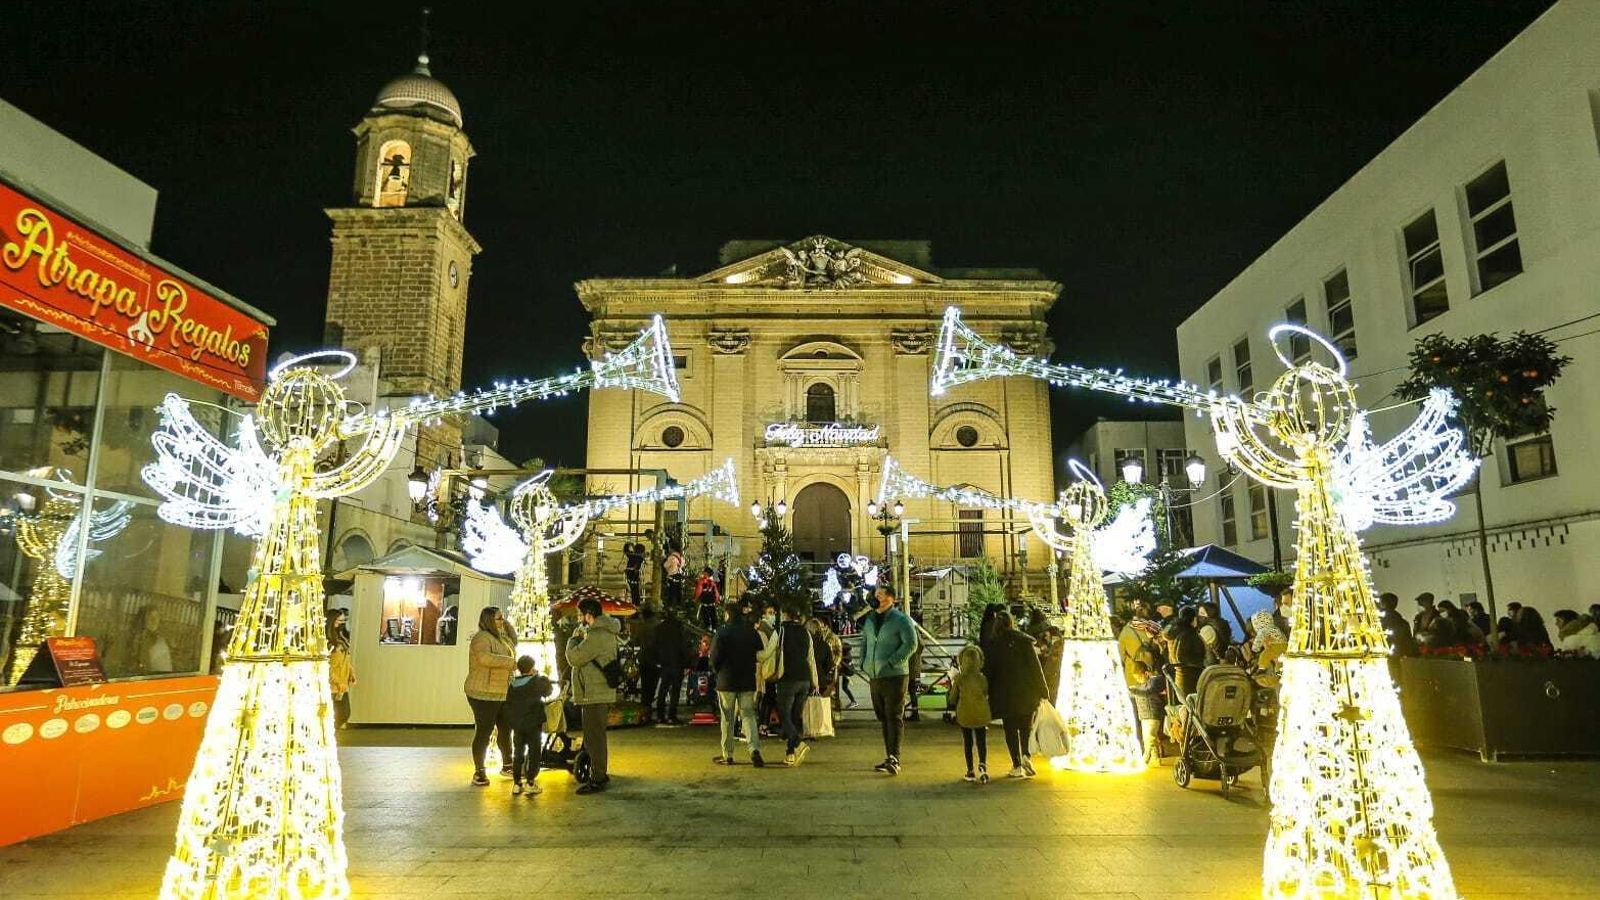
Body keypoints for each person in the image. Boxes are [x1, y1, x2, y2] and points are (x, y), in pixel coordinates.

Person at [861, 584, 918, 775]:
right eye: (874, 594)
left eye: (879, 595)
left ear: (890, 599)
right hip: (875, 676)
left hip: (895, 675)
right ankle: (889, 756)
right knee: (883, 716)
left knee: (893, 715)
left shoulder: (901, 620)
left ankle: (895, 757)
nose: (875, 598)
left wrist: (893, 661)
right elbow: (865, 642)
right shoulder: (870, 620)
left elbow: (911, 643)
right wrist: (864, 664)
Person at [566, 597, 621, 794]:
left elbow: (574, 657)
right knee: (595, 736)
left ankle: (598, 778)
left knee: (594, 737)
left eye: (580, 615)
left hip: (594, 693)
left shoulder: (597, 635)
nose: (579, 619)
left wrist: (573, 639)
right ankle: (598, 773)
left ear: (589, 615)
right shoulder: (603, 631)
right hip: (596, 691)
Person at [984, 610, 1048, 779]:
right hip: (1027, 692)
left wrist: (986, 692)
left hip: (1005, 694)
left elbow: (989, 672)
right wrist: (1043, 690)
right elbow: (1036, 668)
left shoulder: (995, 645)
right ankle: (1027, 754)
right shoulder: (1025, 641)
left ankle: (1017, 764)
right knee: (1026, 727)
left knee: (1010, 729)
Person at [463, 606, 517, 786]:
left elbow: (513, 641)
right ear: (488, 621)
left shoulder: (501, 638)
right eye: (499, 619)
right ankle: (479, 771)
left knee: (505, 728)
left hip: (501, 692)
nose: (502, 621)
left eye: (502, 618)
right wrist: (510, 663)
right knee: (484, 731)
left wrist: (504, 623)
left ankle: (508, 764)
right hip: (482, 693)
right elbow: (485, 658)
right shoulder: (481, 638)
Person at [710, 604, 765, 766]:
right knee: (748, 715)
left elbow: (714, 658)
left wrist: (718, 671)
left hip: (726, 681)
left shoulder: (722, 632)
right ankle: (754, 749)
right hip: (747, 680)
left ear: (728, 614)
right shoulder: (751, 631)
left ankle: (728, 754)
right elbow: (758, 651)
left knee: (727, 718)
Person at [774, 606, 819, 766]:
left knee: (784, 715)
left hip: (788, 678)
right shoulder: (805, 632)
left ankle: (798, 743)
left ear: (785, 615)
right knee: (795, 716)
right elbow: (811, 658)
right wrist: (815, 681)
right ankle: (790, 753)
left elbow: (773, 652)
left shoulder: (781, 632)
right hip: (805, 679)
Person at [504, 655, 553, 795]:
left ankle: (517, 783)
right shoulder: (537, 681)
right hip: (533, 724)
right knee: (534, 752)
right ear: (532, 667)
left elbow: (508, 704)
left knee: (518, 753)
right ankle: (530, 782)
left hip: (518, 725)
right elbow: (548, 691)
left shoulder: (513, 684)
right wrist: (540, 676)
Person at [948, 644, 992, 784]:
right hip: (981, 713)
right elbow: (985, 692)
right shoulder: (982, 678)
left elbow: (952, 698)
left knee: (968, 742)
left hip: (965, 714)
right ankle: (983, 765)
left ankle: (970, 770)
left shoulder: (960, 678)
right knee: (981, 740)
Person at [652, 606, 690, 724]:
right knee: (675, 691)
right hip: (677, 663)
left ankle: (660, 715)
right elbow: (684, 646)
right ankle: (671, 715)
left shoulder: (659, 628)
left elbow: (655, 646)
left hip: (664, 663)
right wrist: (687, 662)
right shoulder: (679, 628)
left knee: (663, 689)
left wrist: (657, 660)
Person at [1127, 659, 1166, 764]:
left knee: (1150, 738)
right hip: (1144, 716)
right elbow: (1135, 693)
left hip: (1154, 714)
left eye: (1139, 677)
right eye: (1136, 678)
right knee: (1148, 739)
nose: (1138, 680)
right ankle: (1155, 759)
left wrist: (1133, 690)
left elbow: (1148, 692)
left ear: (1146, 673)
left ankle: (1144, 758)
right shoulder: (1140, 687)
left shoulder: (1155, 681)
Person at [1117, 602, 1164, 688]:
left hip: (1135, 674)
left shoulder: (1126, 630)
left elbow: (1121, 653)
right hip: (1153, 672)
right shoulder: (1154, 627)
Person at [1163, 607, 1207, 698]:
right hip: (1192, 680)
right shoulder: (1189, 634)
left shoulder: (1175, 632)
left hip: (1179, 679)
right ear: (1193, 619)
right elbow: (1183, 657)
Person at [327, 609, 356, 730]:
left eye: (343, 621)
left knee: (344, 713)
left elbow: (347, 659)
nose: (341, 624)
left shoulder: (342, 637)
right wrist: (336, 681)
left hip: (342, 681)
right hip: (333, 682)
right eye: (339, 621)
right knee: (338, 713)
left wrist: (352, 674)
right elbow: (327, 665)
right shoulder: (328, 641)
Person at [632, 606, 660, 725]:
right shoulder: (658, 625)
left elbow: (635, 640)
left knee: (645, 688)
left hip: (644, 659)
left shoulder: (642, 627)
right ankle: (647, 713)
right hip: (655, 660)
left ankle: (644, 714)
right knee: (652, 687)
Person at [1377, 593, 1416, 658]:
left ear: (1382, 603)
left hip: (1377, 657)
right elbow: (1408, 643)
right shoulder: (1403, 623)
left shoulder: (1375, 621)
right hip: (1397, 658)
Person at [1039, 626, 1065, 704]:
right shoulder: (1057, 643)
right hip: (1052, 676)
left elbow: (1052, 660)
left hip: (1051, 676)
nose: (1045, 637)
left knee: (1050, 698)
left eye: (1046, 635)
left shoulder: (1057, 644)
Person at [692, 566, 722, 631]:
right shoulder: (712, 582)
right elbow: (716, 592)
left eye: (704, 572)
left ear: (706, 573)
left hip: (705, 602)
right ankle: (714, 628)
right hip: (712, 602)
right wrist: (717, 599)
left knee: (705, 615)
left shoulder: (701, 581)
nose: (703, 573)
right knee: (713, 614)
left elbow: (698, 591)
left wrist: (695, 598)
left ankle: (708, 626)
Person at [624, 541, 646, 605]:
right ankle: (636, 603)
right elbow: (626, 551)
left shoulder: (634, 556)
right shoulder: (638, 556)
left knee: (634, 590)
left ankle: (635, 603)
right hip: (634, 573)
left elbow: (626, 551)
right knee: (635, 589)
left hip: (632, 573)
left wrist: (628, 544)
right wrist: (629, 544)